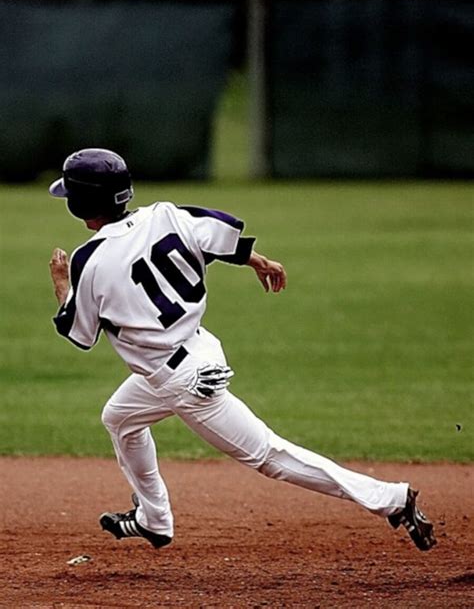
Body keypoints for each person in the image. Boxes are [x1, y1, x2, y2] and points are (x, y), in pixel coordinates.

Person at [48, 148, 436, 552]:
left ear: (80, 205)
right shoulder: (166, 214)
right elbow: (218, 235)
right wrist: (257, 261)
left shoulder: (87, 260)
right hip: (197, 352)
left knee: (269, 455)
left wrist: (62, 283)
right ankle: (154, 519)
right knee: (120, 419)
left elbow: (79, 333)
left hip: (180, 380)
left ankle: (391, 499)